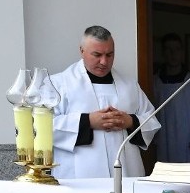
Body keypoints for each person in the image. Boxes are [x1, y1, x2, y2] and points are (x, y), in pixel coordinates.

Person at [52, 25, 160, 179]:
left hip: (126, 173)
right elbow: (43, 127)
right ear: (82, 51)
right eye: (97, 54)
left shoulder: (129, 85)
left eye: (110, 55)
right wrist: (87, 121)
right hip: (79, 177)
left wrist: (130, 121)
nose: (104, 61)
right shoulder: (59, 84)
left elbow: (152, 121)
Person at [153, 33, 190, 163]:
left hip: (187, 142)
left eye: (176, 49)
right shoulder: (155, 82)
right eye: (168, 50)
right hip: (163, 140)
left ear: (182, 52)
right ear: (163, 53)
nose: (173, 54)